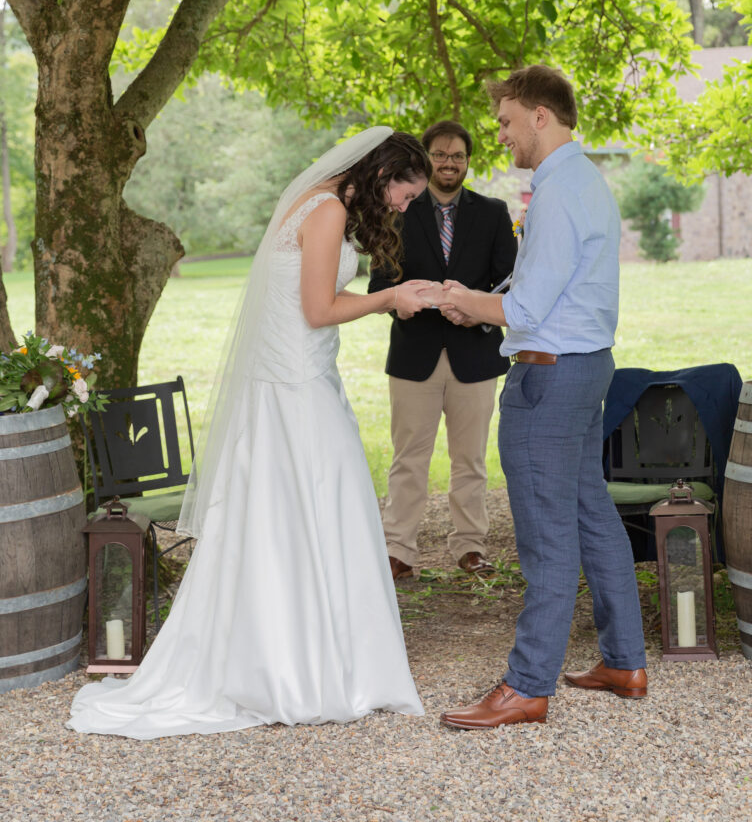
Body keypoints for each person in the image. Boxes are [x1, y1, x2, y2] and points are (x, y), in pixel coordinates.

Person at [68, 127, 432, 739]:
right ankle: (297, 667)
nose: (405, 204)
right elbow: (317, 310)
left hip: (304, 374)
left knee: (311, 507)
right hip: (292, 386)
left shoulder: (328, 205)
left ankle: (328, 657)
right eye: (405, 191)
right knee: (309, 503)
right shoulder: (325, 209)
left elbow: (307, 301)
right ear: (381, 173)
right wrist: (390, 297)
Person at [436, 66, 647, 730]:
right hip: (582, 369)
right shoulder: (579, 182)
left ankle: (527, 687)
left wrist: (462, 300)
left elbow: (526, 306)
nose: (498, 135)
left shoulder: (558, 193)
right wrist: (485, 306)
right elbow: (538, 288)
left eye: (503, 121)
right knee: (590, 515)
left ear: (539, 116)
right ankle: (624, 662)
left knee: (546, 535)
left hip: (549, 379)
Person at [368, 120, 517, 580]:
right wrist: (405, 305)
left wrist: (479, 311)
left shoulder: (493, 213)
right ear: (424, 159)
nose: (449, 163)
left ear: (468, 161)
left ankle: (470, 547)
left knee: (470, 459)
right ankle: (398, 550)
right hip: (415, 356)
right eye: (440, 154)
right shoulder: (397, 210)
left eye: (458, 155)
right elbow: (379, 284)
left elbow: (511, 284)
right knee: (408, 457)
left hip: (476, 355)